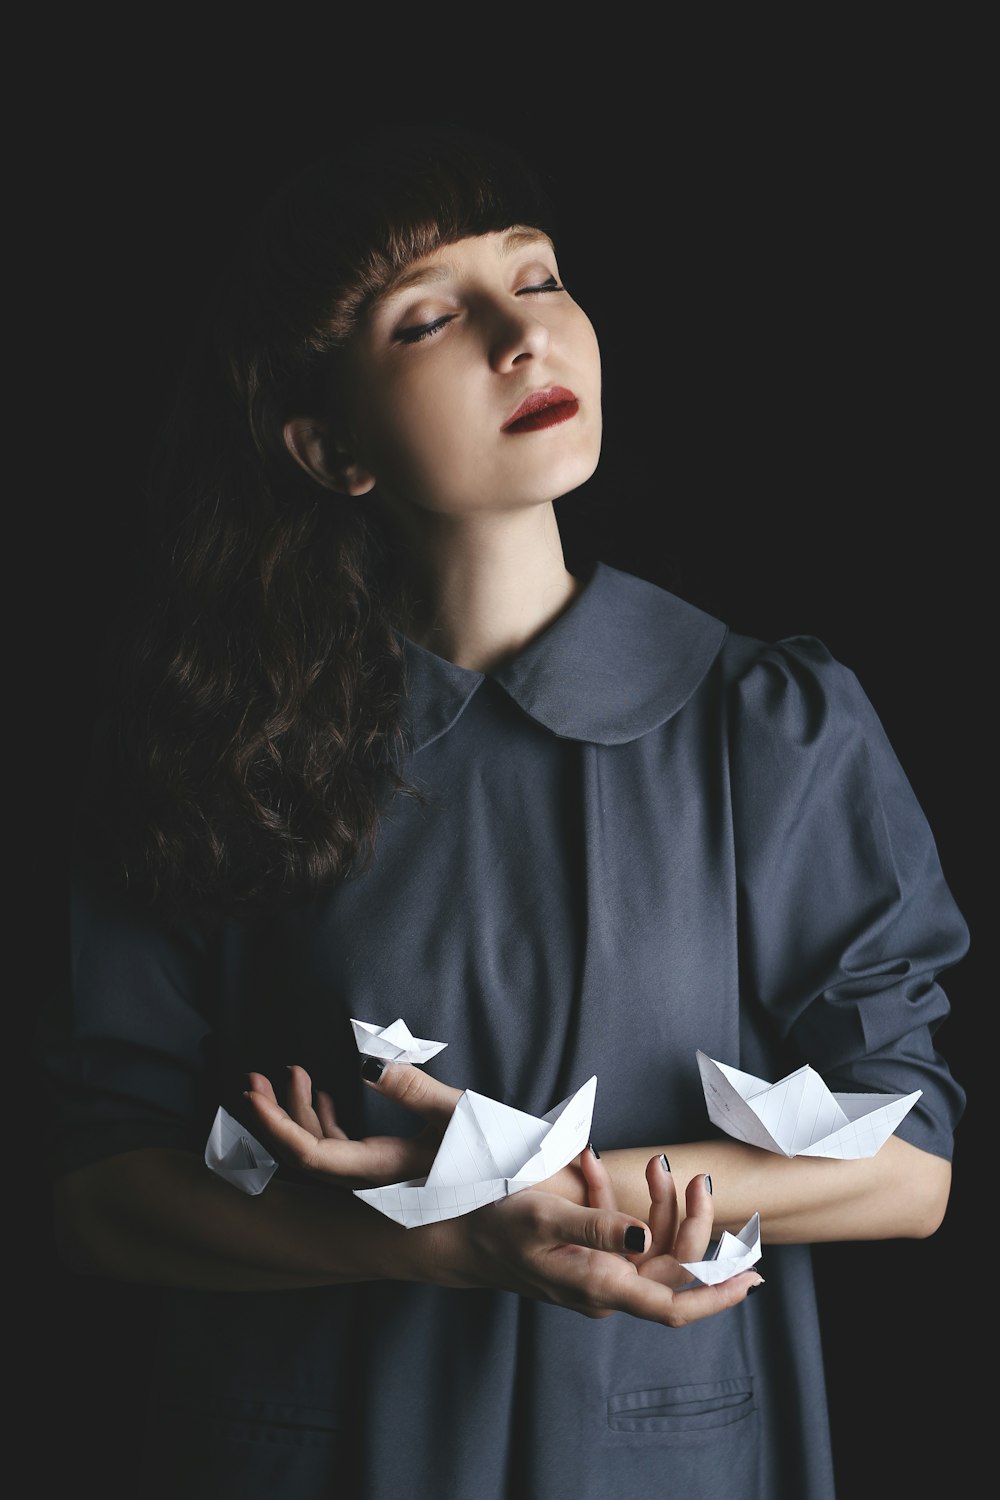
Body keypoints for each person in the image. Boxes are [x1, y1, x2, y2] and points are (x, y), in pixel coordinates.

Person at [38, 120, 968, 1500]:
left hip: (659, 1446)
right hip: (305, 1443)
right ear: (330, 446)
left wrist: (511, 1175)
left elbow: (911, 1166)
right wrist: (429, 1237)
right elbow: (98, 1196)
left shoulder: (770, 724)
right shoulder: (215, 745)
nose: (518, 336)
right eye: (427, 318)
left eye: (534, 278)